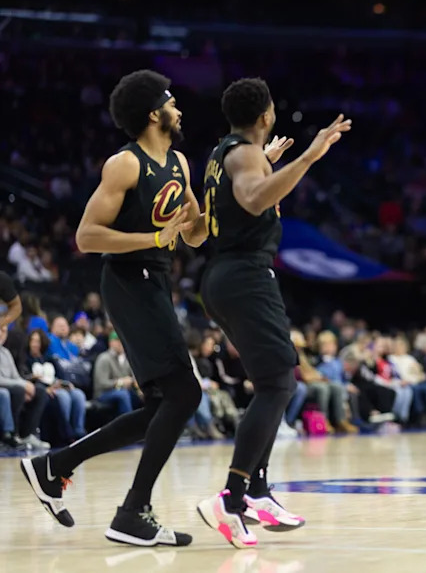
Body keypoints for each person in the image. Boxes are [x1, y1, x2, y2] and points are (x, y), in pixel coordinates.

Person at [20, 70, 206, 547]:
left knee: (162, 405)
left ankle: (53, 466)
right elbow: (86, 236)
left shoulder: (181, 163)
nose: (179, 109)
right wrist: (153, 237)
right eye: (172, 101)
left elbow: (195, 233)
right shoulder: (125, 165)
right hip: (127, 280)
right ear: (152, 113)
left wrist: (226, 200)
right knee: (184, 393)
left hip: (156, 280)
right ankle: (131, 512)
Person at [195, 77, 351, 548]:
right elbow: (253, 198)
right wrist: (308, 156)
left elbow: (204, 227)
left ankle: (257, 490)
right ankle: (233, 496)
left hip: (225, 274)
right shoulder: (243, 153)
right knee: (280, 380)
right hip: (243, 274)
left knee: (276, 378)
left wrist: (269, 163)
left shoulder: (227, 155)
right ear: (266, 115)